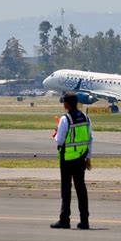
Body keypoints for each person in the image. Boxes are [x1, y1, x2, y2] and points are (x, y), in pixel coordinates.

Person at [50, 92, 92, 229]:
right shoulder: (86, 117)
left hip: (67, 159)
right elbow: (90, 139)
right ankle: (84, 221)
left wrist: (56, 134)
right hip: (81, 158)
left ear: (67, 104)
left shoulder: (65, 119)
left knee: (66, 190)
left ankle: (64, 219)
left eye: (64, 102)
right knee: (81, 189)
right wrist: (88, 157)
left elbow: (60, 140)